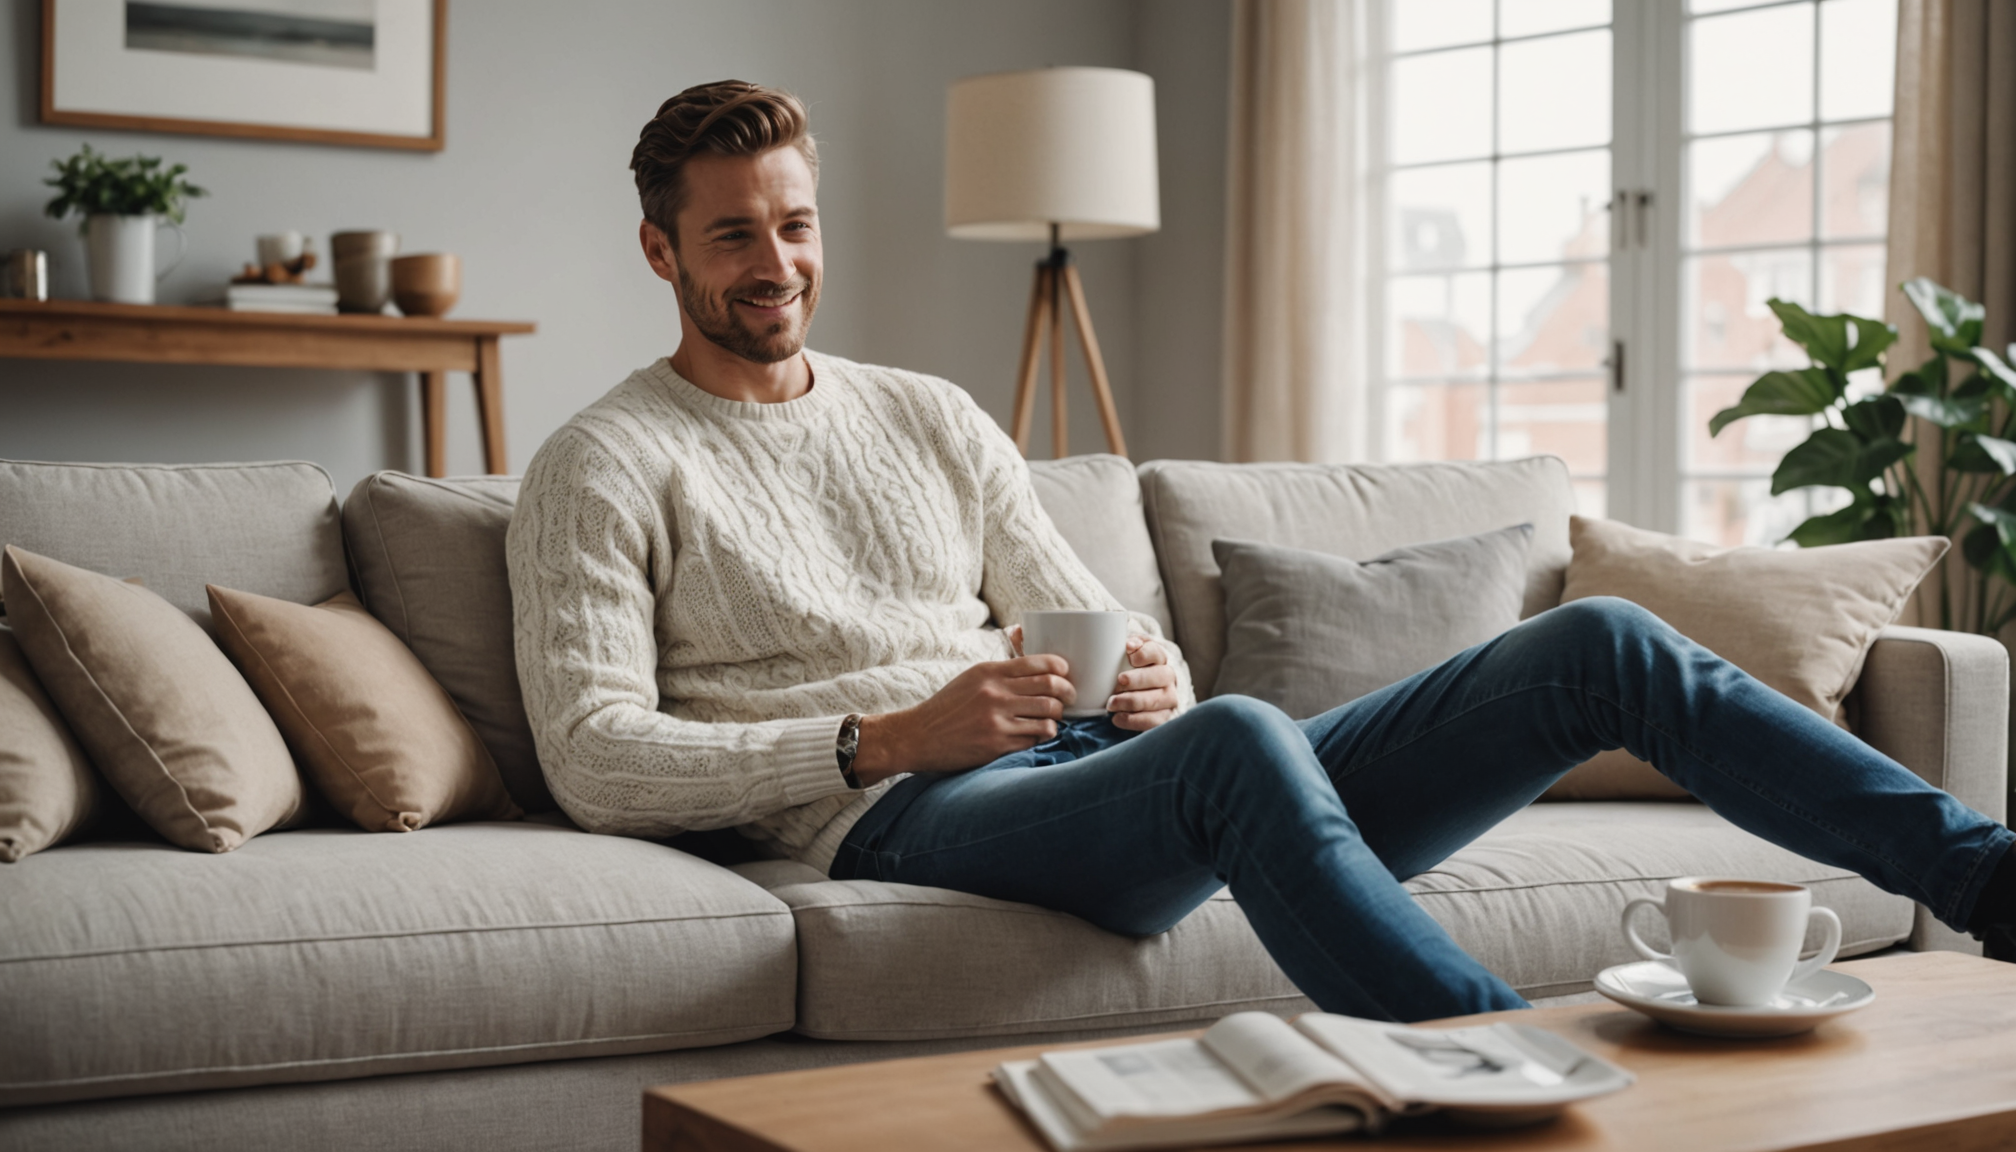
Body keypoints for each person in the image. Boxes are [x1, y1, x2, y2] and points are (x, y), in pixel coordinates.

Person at [505, 80, 2016, 1023]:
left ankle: (1992, 878)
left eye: (795, 225)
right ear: (661, 250)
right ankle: (1498, 1072)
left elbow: (1095, 626)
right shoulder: (606, 460)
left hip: (1106, 777)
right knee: (1241, 743)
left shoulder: (928, 414)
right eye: (732, 236)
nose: (776, 264)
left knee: (1598, 646)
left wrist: (1146, 675)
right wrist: (885, 738)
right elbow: (593, 757)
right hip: (907, 812)